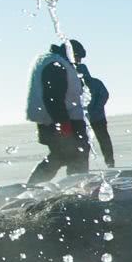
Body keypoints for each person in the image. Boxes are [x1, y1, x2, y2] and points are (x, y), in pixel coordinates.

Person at [26, 41, 90, 184]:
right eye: (78, 58)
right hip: (62, 120)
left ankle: (34, 184)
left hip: (55, 119)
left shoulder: (51, 61)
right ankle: (77, 185)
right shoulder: (56, 65)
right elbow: (53, 97)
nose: (78, 62)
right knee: (76, 154)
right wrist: (63, 123)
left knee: (61, 155)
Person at [71, 41, 116, 169]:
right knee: (103, 140)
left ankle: (83, 166)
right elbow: (105, 95)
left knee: (85, 142)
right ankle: (109, 162)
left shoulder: (76, 84)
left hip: (86, 118)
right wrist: (98, 108)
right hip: (96, 117)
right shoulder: (95, 82)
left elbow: (104, 95)